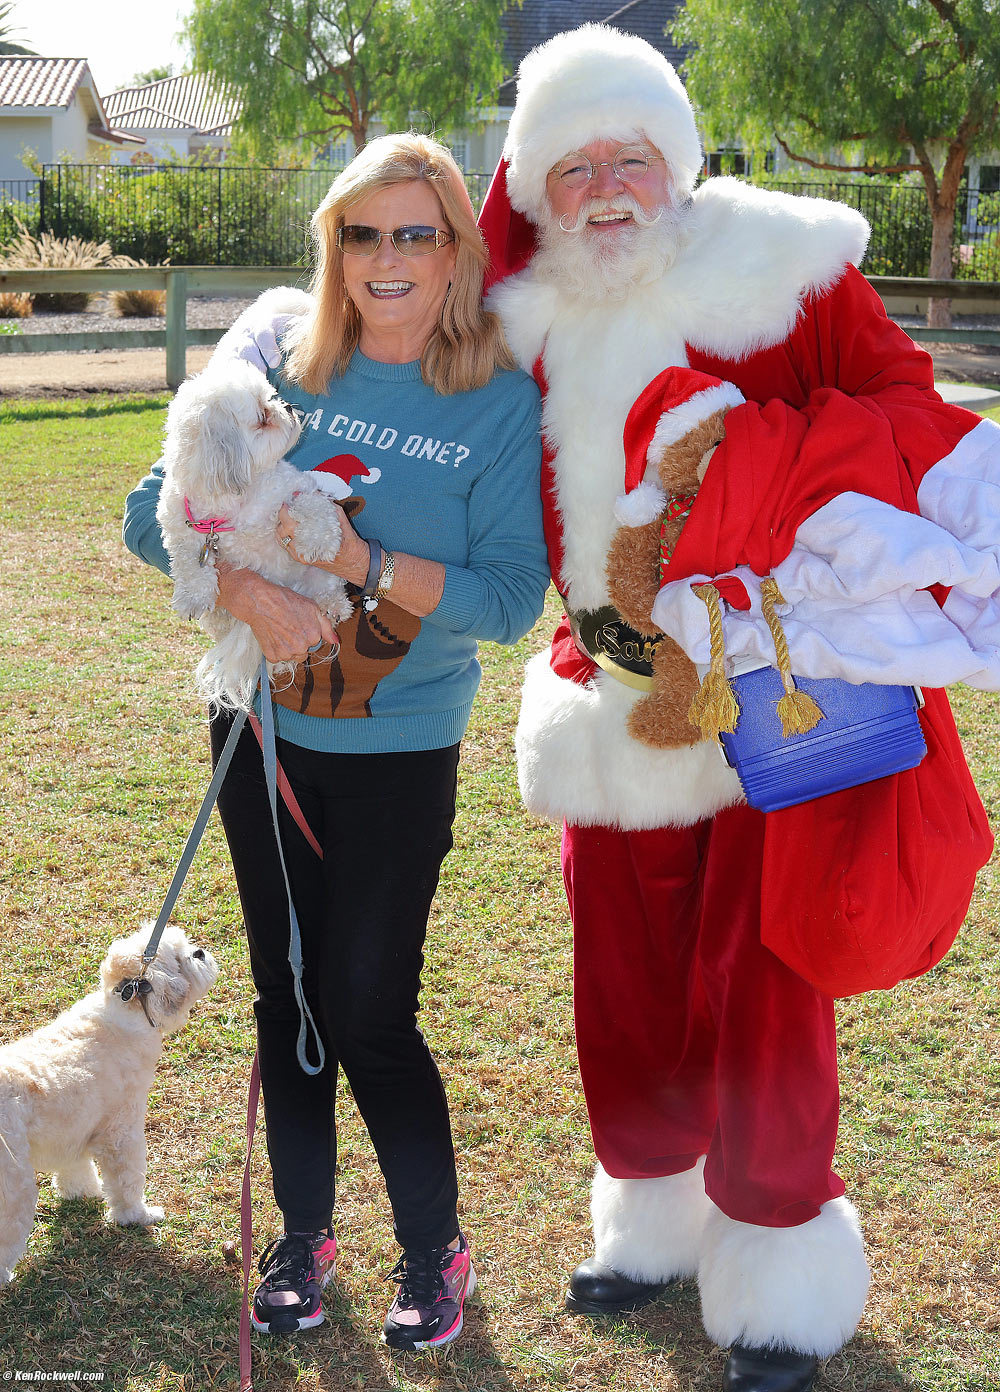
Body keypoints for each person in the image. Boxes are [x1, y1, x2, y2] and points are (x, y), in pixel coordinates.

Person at [476, 23, 997, 1392]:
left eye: (632, 158)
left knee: (765, 983)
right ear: (533, 185)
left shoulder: (786, 267)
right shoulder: (525, 309)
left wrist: (765, 464)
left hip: (773, 691)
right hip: (608, 694)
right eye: (570, 165)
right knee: (626, 978)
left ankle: (777, 1259)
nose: (604, 190)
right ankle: (652, 1218)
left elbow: (909, 408)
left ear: (681, 162)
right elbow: (394, 291)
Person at [123, 132, 549, 1352]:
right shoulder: (276, 363)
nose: (386, 258)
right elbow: (147, 514)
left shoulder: (499, 398)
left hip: (400, 748)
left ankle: (433, 1245)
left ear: (457, 246)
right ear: (334, 251)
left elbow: (514, 600)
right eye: (361, 234)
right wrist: (247, 595)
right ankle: (302, 1235)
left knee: (370, 1006)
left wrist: (363, 562)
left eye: (415, 231)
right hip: (259, 734)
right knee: (287, 992)